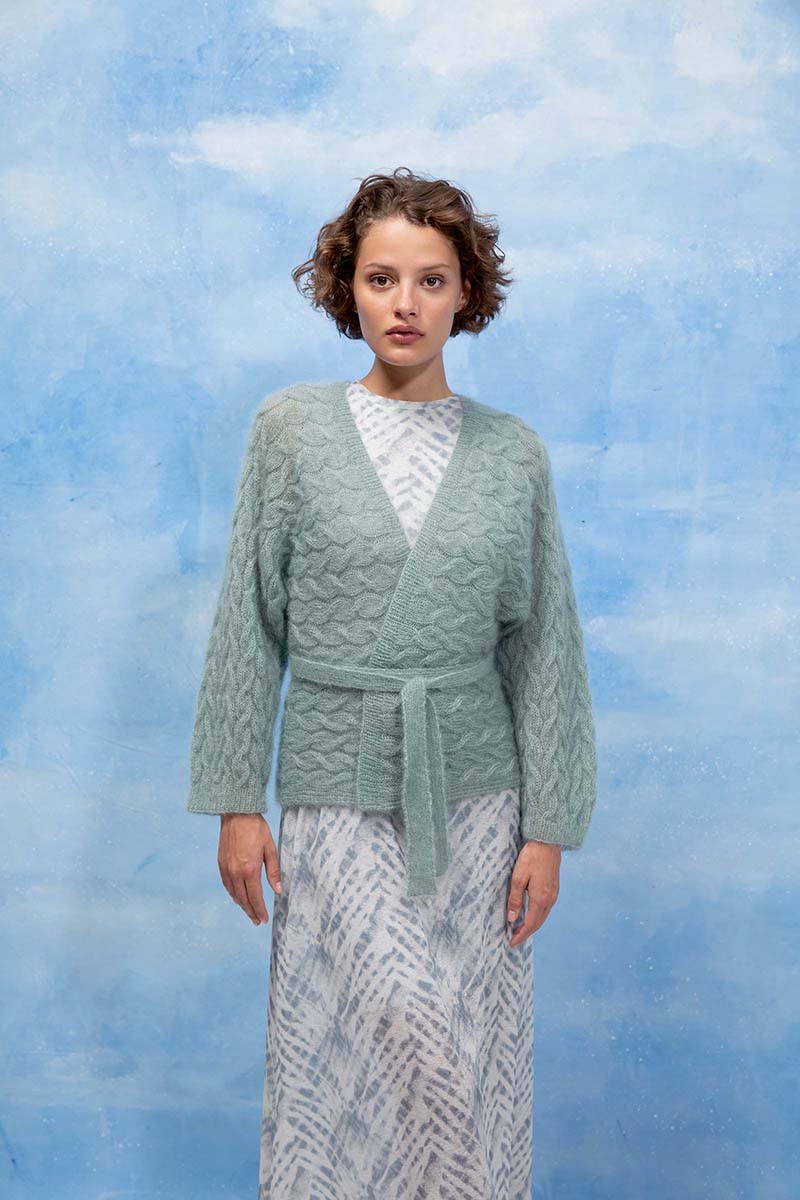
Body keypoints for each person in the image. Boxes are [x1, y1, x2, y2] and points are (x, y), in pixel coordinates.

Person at [186, 166, 598, 1199]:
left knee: (468, 1047)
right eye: (381, 279)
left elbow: (544, 647)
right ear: (347, 289)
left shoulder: (512, 456)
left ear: (467, 293)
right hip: (334, 795)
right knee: (367, 1045)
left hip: (479, 803)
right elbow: (247, 622)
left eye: (430, 280)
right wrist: (236, 801)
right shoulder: (289, 431)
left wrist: (549, 828)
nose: (404, 303)